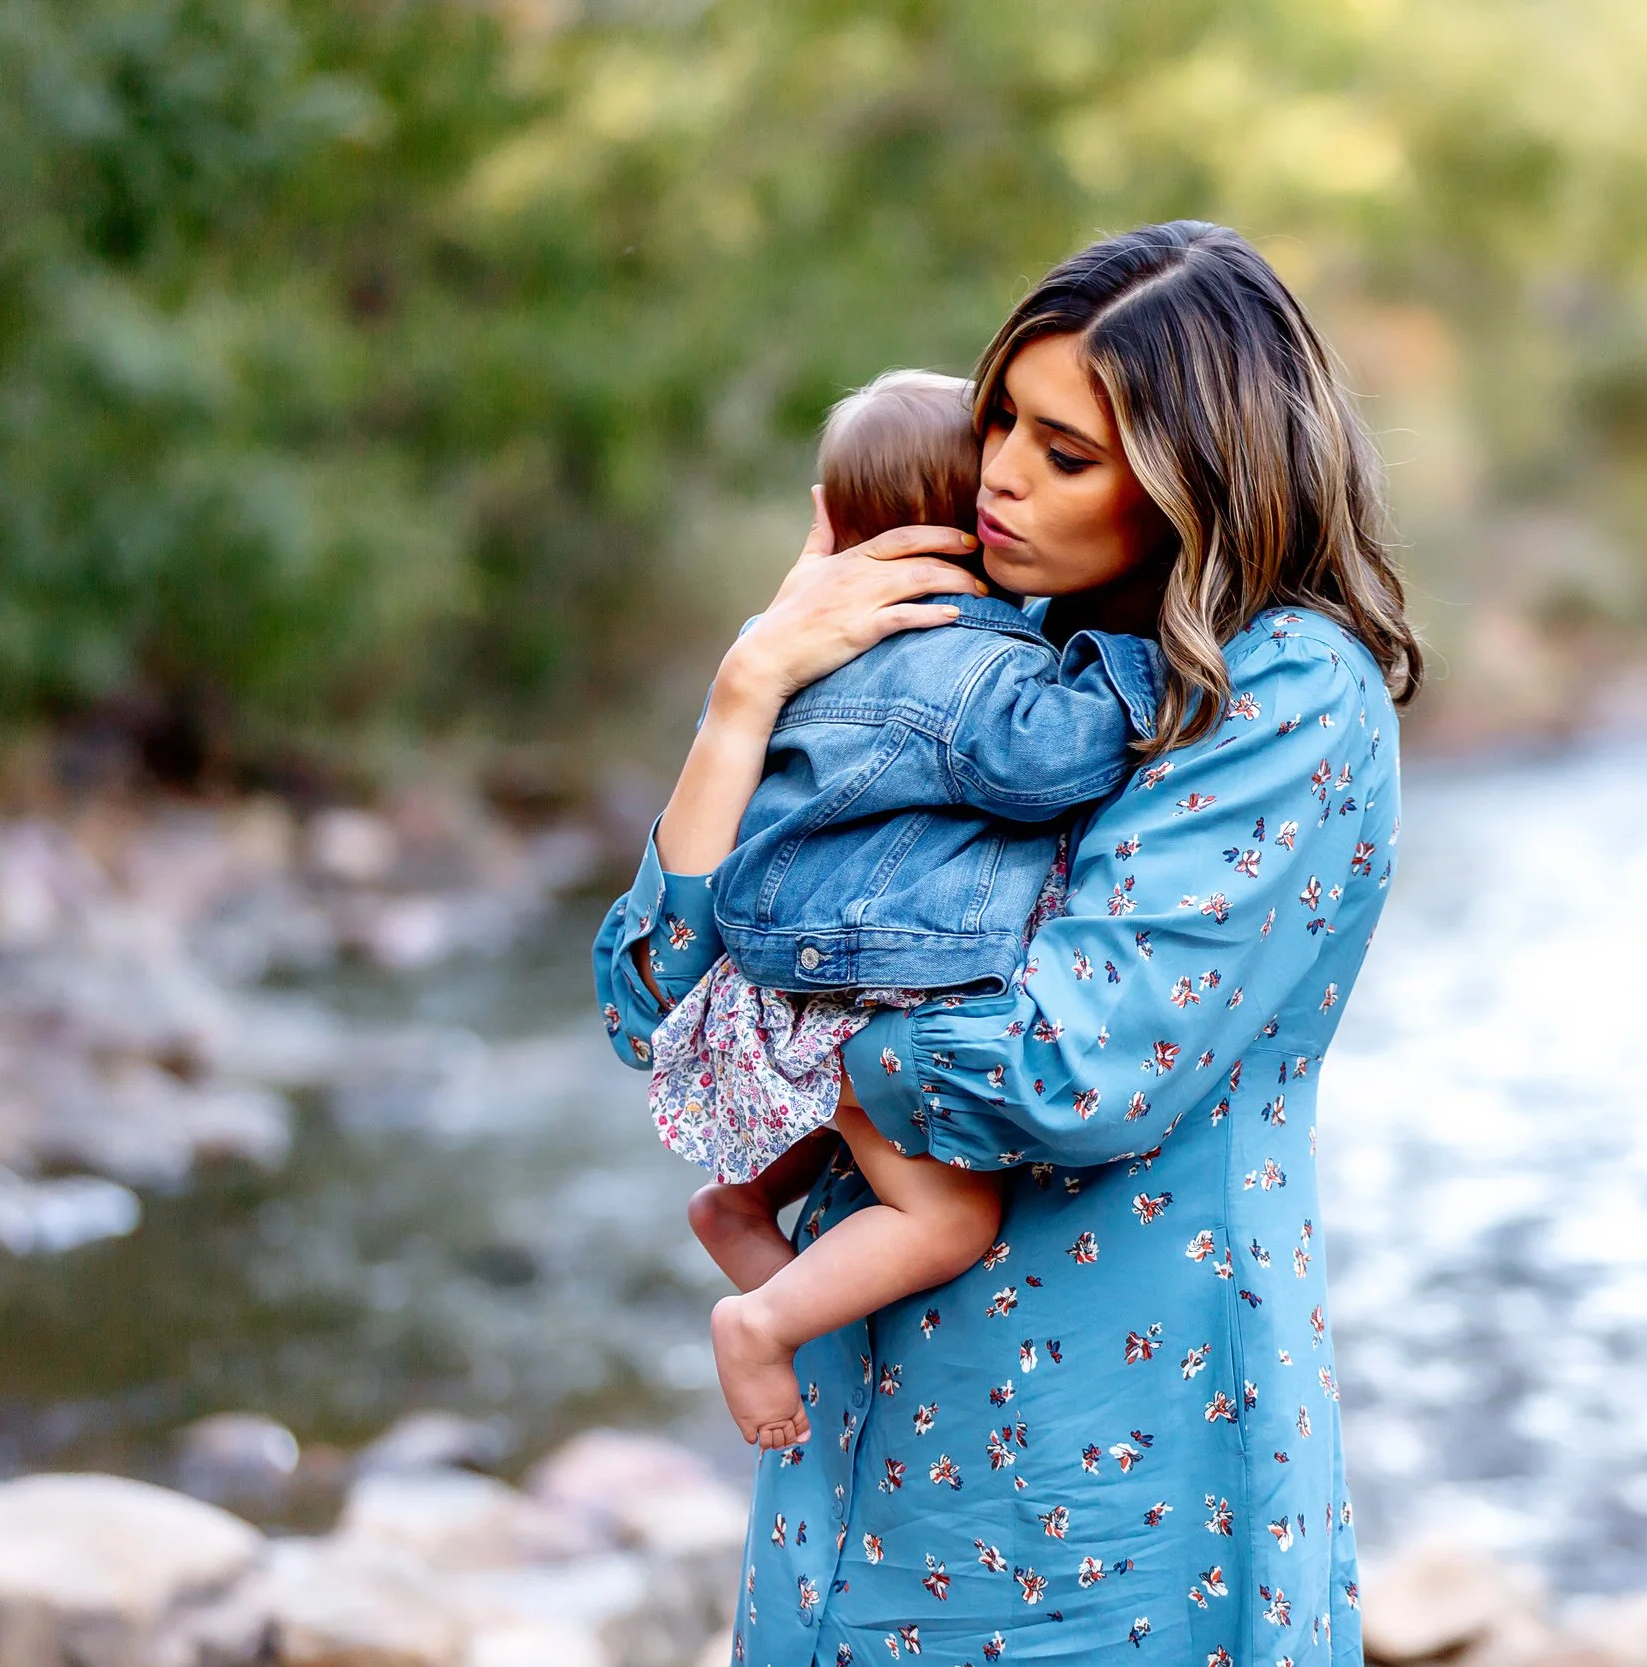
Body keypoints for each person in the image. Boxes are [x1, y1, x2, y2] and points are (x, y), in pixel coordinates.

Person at [593, 220, 1420, 1667]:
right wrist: (749, 689)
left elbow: (1064, 1068)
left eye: (1065, 451)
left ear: (1195, 482)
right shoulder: (961, 654)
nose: (999, 477)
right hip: (853, 1439)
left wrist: (777, 1024)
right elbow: (651, 1002)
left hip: (1115, 1466)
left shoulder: (1283, 690)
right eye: (997, 424)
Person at [634, 368, 1163, 1451]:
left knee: (834, 1107)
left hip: (770, 975)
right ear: (976, 517)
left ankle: (740, 1199)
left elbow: (643, 970)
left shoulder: (802, 654)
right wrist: (1131, 670)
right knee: (950, 1215)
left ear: (834, 523)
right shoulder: (973, 664)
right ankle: (761, 1320)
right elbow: (1036, 765)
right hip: (870, 977)